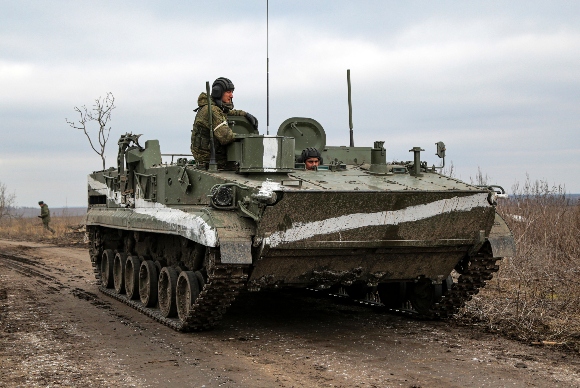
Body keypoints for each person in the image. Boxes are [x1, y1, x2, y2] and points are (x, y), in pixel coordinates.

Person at [191, 77, 258, 168]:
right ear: (218, 93)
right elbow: (226, 136)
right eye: (228, 92)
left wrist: (244, 114)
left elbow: (227, 113)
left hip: (214, 160)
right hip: (209, 162)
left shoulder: (214, 108)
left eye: (232, 92)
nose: (231, 96)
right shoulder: (211, 110)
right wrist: (249, 138)